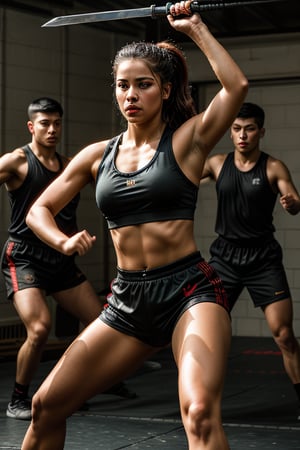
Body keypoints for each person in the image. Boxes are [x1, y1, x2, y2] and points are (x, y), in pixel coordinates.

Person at [21, 2, 248, 449]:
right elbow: (37, 210)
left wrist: (195, 27)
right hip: (128, 300)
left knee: (199, 413)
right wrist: (62, 241)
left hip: (188, 292)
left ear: (164, 91)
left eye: (143, 85)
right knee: (46, 406)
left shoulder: (187, 141)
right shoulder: (96, 155)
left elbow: (235, 85)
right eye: (122, 85)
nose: (131, 95)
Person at [0, 97, 134, 421]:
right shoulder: (16, 162)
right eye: (45, 123)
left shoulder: (70, 164)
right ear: (32, 126)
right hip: (25, 257)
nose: (52, 129)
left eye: (57, 123)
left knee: (102, 322)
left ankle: (86, 382)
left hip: (60, 259)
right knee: (40, 328)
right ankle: (19, 398)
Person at [201, 102, 300, 420]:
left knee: (284, 335)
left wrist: (292, 202)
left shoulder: (274, 167)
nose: (243, 135)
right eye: (237, 128)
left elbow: (294, 199)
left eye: (250, 128)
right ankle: (202, 401)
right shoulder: (217, 164)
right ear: (230, 131)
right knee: (208, 331)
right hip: (224, 258)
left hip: (262, 258)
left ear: (261, 131)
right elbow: (181, 174)